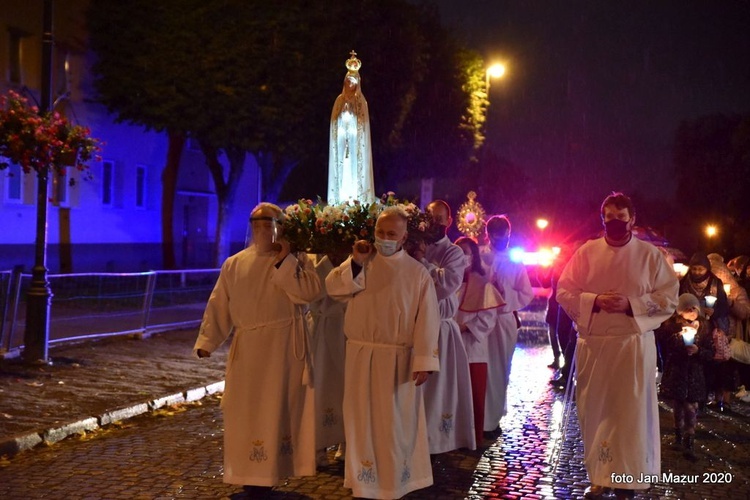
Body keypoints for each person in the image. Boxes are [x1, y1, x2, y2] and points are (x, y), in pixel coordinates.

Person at [557, 192, 678, 499]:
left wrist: (631, 304)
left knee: (629, 414)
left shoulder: (650, 256)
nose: (614, 223)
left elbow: (669, 299)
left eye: (620, 218)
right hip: (595, 346)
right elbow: (565, 291)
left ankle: (629, 478)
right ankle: (600, 476)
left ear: (632, 220)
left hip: (632, 346)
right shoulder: (586, 252)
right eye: (608, 218)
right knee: (595, 411)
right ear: (602, 219)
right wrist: (595, 301)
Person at [193, 202, 321, 490]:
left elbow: (310, 293)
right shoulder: (235, 263)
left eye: (270, 224)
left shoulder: (299, 260)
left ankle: (272, 473)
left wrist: (285, 261)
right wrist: (208, 341)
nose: (264, 230)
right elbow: (219, 305)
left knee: (278, 412)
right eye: (258, 225)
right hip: (250, 351)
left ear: (282, 227)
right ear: (251, 228)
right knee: (248, 412)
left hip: (285, 349)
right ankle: (249, 477)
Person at [325, 206, 440, 499]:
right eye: (380, 232)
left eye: (391, 234)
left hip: (396, 360)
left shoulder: (417, 273)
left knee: (393, 425)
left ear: (403, 239)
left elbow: (427, 319)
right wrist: (356, 261)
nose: (384, 238)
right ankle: (365, 482)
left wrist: (424, 360)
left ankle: (393, 483)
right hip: (361, 356)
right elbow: (334, 289)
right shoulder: (361, 264)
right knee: (360, 420)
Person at [410, 200, 475, 454]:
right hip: (415, 328)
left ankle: (436, 444)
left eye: (440, 218)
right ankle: (414, 440)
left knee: (437, 393)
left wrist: (421, 262)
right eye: (431, 217)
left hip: (441, 332)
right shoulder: (413, 247)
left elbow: (445, 285)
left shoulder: (453, 253)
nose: (435, 222)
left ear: (448, 222)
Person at [479, 215, 534, 437]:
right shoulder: (480, 256)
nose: (500, 241)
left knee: (500, 369)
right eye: (495, 236)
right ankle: (477, 417)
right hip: (480, 320)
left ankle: (492, 420)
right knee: (481, 368)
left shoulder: (515, 261)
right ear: (488, 235)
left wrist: (506, 295)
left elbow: (527, 293)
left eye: (504, 237)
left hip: (503, 321)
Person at [455, 236, 505, 446]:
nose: (463, 257)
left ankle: (470, 438)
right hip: (451, 345)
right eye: (458, 253)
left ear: (474, 256)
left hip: (473, 347)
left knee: (473, 394)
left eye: (466, 253)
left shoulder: (483, 284)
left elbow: (488, 318)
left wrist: (466, 327)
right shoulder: (448, 280)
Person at [655, 293, 714, 461]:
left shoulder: (705, 327)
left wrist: (698, 351)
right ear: (680, 311)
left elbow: (710, 353)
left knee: (691, 407)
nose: (691, 312)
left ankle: (690, 440)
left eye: (694, 309)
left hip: (695, 375)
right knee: (678, 406)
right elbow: (667, 347)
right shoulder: (671, 326)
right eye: (687, 309)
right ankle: (678, 436)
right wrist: (680, 339)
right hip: (678, 373)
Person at [306, 252, 348, 467]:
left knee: (345, 387)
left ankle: (345, 440)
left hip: (345, 330)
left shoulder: (356, 262)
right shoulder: (312, 263)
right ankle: (317, 444)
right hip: (320, 334)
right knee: (319, 387)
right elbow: (311, 293)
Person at [679, 252, 733, 412]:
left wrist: (713, 311)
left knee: (707, 362)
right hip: (689, 325)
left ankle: (708, 395)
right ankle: (690, 395)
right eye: (694, 268)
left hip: (709, 328)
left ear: (707, 269)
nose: (696, 272)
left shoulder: (715, 283)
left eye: (700, 269)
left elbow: (723, 306)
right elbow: (678, 300)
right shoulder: (684, 282)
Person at [327, 51, 375, 204]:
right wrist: (342, 124)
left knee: (354, 173)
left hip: (355, 144)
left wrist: (352, 122)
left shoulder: (361, 102)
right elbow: (334, 122)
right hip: (342, 142)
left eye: (353, 82)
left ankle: (357, 202)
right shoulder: (339, 101)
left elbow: (363, 124)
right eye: (348, 81)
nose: (350, 84)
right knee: (343, 173)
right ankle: (340, 203)